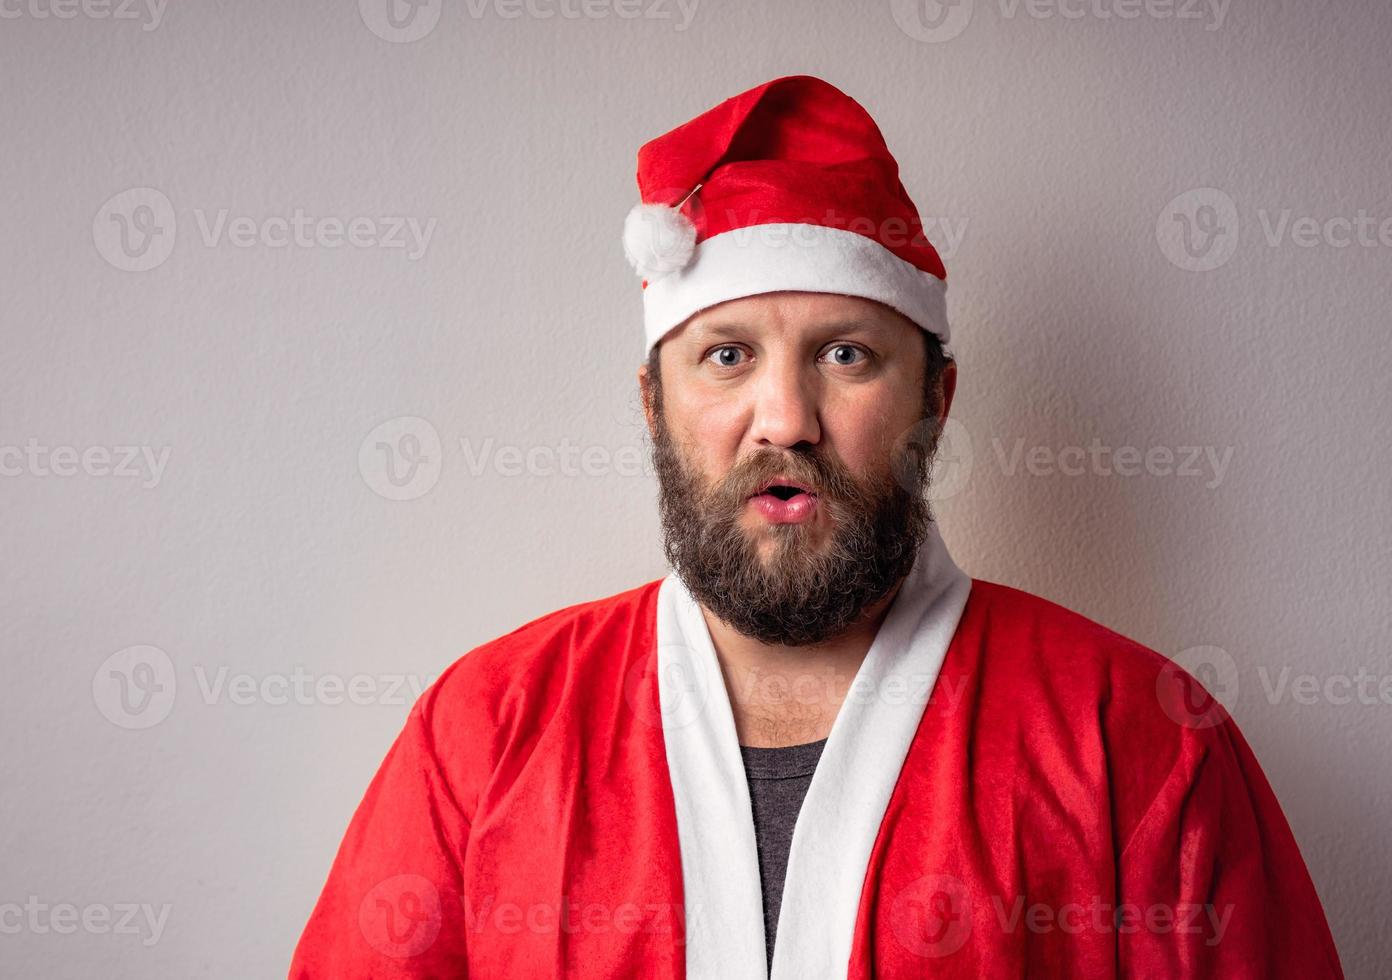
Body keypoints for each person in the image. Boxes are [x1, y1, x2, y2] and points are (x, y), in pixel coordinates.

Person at [289, 74, 1343, 979]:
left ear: (935, 398)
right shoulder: (484, 734)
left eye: (846, 354)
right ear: (656, 403)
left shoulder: (1143, 742)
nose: (785, 419)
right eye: (727, 355)